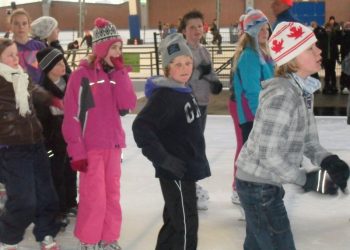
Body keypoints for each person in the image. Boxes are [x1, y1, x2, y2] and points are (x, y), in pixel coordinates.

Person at [236, 22, 350, 250]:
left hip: (264, 184)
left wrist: (329, 160)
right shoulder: (282, 94)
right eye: (310, 48)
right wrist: (305, 179)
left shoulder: (302, 90)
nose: (319, 51)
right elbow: (268, 154)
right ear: (292, 57)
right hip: (258, 187)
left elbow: (308, 140)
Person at [62, 17, 136, 249]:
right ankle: (89, 239)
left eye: (120, 47)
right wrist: (77, 151)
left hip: (113, 147)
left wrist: (121, 73)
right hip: (91, 149)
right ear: (101, 48)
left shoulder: (116, 75)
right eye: (114, 47)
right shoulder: (80, 77)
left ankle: (109, 238)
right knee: (94, 198)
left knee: (112, 196)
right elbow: (71, 118)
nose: (118, 52)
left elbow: (127, 105)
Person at [132, 33, 211, 250]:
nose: (185, 68)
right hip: (176, 170)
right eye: (178, 64)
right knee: (185, 224)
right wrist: (164, 159)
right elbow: (141, 127)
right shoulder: (164, 96)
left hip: (186, 168)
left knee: (174, 220)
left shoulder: (183, 89)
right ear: (167, 68)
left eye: (187, 62)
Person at [0, 38, 63, 250]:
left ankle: (45, 232)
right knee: (23, 199)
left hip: (36, 143)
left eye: (15, 54)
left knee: (47, 194)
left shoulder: (21, 76)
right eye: (9, 55)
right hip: (12, 148)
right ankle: (9, 236)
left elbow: (35, 90)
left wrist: (52, 99)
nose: (15, 58)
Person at [178, 10, 222, 210]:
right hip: (188, 104)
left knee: (196, 145)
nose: (196, 30)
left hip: (202, 104)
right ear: (184, 30)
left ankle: (190, 184)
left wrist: (215, 82)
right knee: (188, 145)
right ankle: (185, 186)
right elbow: (180, 76)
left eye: (199, 26)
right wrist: (198, 72)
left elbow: (210, 72)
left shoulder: (204, 50)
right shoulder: (180, 50)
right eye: (192, 27)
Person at [230, 9, 274, 209]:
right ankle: (248, 199)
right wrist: (262, 119)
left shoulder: (264, 53)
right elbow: (252, 92)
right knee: (253, 161)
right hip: (253, 117)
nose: (265, 32)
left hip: (265, 114)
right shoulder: (249, 56)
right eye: (260, 29)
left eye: (266, 28)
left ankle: (258, 197)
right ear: (251, 32)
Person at [36, 47, 77, 231]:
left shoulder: (71, 83)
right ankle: (58, 209)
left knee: (71, 171)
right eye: (59, 63)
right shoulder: (42, 91)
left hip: (72, 139)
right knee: (56, 175)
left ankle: (70, 203)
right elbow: (42, 122)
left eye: (63, 62)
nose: (64, 66)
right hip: (53, 143)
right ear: (48, 68)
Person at [10, 8, 46, 85]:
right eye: (16, 23)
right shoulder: (7, 48)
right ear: (11, 26)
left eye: (24, 23)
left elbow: (48, 70)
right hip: (15, 92)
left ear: (29, 25)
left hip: (39, 91)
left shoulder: (39, 46)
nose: (21, 27)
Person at [318, 22, 340, 94]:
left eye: (329, 28)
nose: (328, 29)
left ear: (331, 28)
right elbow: (320, 47)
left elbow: (336, 48)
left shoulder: (334, 36)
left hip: (332, 57)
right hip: (325, 57)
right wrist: (320, 58)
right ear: (325, 28)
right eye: (327, 28)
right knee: (327, 72)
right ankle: (326, 86)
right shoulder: (322, 36)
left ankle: (334, 86)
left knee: (333, 72)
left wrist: (337, 58)